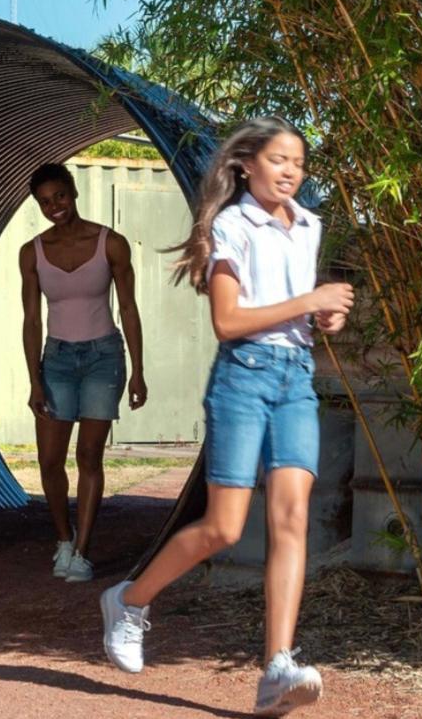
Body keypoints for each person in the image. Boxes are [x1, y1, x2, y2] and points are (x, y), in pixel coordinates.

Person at [97, 117, 353, 716]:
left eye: (298, 161)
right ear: (246, 166)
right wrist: (309, 300)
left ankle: (277, 666)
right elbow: (229, 322)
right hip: (243, 377)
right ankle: (130, 600)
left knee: (293, 521)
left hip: (295, 379)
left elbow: (291, 308)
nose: (291, 170)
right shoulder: (231, 225)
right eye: (278, 159)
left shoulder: (309, 225)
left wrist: (323, 317)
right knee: (225, 529)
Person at [19, 163, 147, 583]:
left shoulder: (111, 244)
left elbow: (127, 307)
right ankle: (62, 538)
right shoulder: (32, 252)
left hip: (102, 357)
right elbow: (32, 320)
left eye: (60, 196)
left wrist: (138, 370)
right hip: (55, 360)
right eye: (44, 202)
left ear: (73, 192)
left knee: (89, 456)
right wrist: (34, 378)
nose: (54, 206)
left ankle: (82, 551)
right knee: (50, 459)